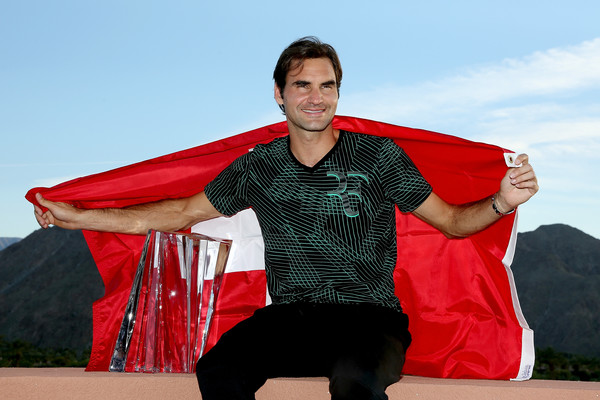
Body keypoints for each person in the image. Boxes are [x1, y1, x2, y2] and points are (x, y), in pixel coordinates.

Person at [33, 36, 538, 400]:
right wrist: (80, 217)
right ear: (280, 94)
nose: (315, 96)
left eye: (327, 85)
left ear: (338, 94)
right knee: (219, 372)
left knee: (355, 384)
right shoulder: (260, 166)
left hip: (369, 318)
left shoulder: (380, 157)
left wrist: (502, 202)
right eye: (302, 85)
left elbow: (451, 222)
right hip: (292, 318)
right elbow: (180, 212)